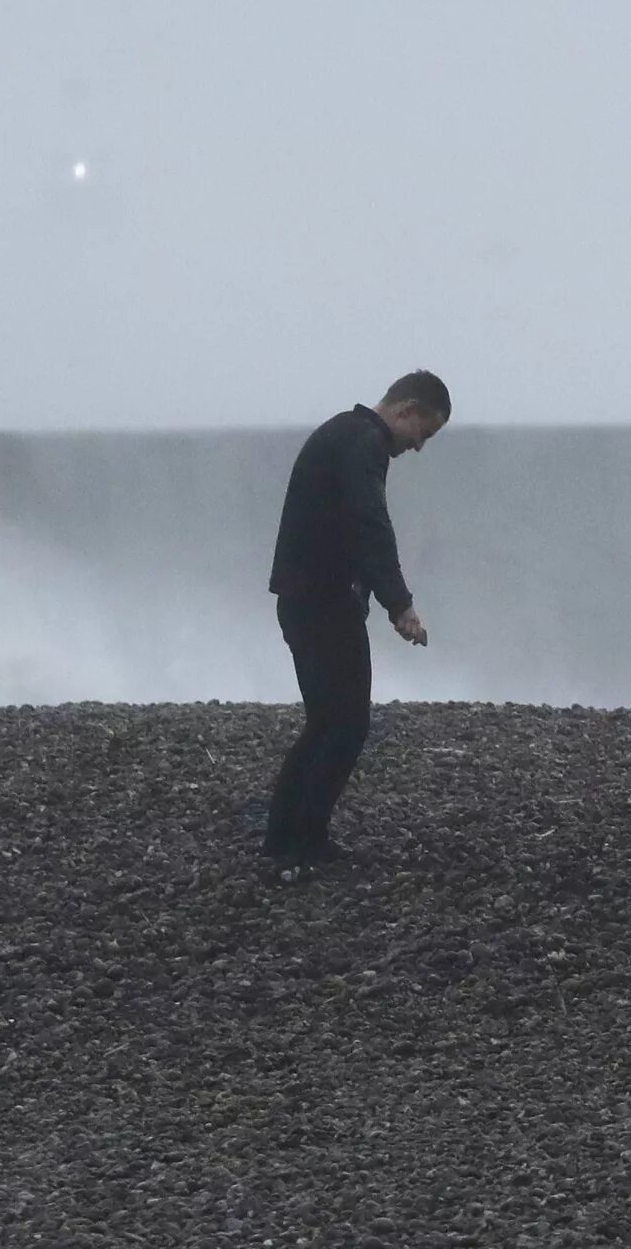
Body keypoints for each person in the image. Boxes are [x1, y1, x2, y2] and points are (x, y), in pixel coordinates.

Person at [262, 370, 450, 879]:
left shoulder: (342, 433)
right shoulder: (363, 443)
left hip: (304, 600)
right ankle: (304, 843)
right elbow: (370, 524)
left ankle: (283, 838)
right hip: (322, 604)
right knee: (346, 725)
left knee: (325, 722)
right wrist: (400, 604)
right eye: (424, 433)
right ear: (406, 410)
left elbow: (351, 525)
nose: (418, 447)